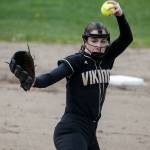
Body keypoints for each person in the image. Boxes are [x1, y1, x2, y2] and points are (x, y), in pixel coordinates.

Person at [10, 1, 133, 150]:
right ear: (85, 41)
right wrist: (34, 81)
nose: (99, 45)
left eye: (103, 41)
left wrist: (120, 15)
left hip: (89, 134)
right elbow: (50, 77)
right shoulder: (76, 61)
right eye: (94, 41)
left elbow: (127, 38)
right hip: (71, 131)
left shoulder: (107, 58)